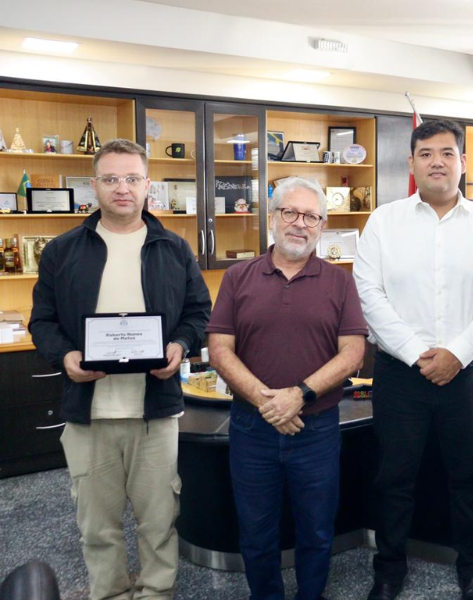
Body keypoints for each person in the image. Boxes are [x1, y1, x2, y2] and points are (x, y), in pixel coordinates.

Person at [29, 138, 211, 600]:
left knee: (159, 523)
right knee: (97, 527)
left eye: (132, 178)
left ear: (148, 184)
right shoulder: (63, 251)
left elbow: (199, 313)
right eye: (111, 179)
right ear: (94, 186)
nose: (122, 188)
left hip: (155, 410)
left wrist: (180, 344)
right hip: (89, 413)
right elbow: (43, 321)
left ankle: (156, 593)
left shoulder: (174, 248)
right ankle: (108, 593)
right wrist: (65, 357)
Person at [354, 119, 473, 600]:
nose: (437, 162)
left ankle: (472, 570)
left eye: (448, 153)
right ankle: (389, 570)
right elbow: (369, 294)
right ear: (411, 163)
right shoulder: (384, 221)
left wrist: (458, 354)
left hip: (465, 376)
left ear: (463, 163)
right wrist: (415, 354)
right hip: (398, 375)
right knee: (394, 477)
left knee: (468, 477)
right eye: (426, 154)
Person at [207, 176, 367, 600]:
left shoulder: (340, 282)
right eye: (290, 213)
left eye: (311, 216)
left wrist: (298, 395)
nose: (300, 223)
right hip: (252, 428)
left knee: (316, 530)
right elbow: (219, 349)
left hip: (315, 429)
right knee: (257, 532)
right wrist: (266, 401)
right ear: (273, 218)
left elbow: (352, 353)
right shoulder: (239, 277)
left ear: (322, 225)